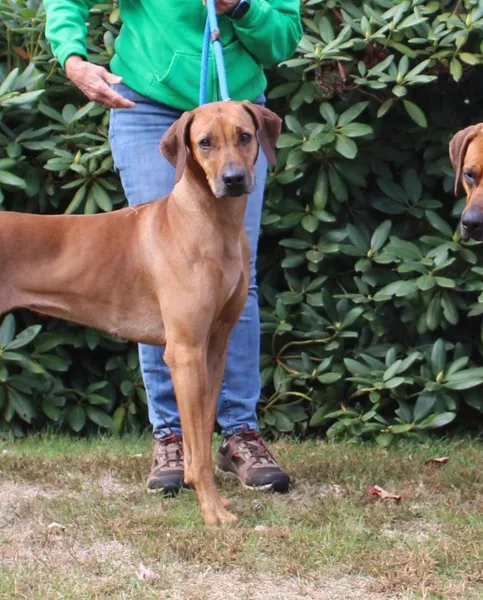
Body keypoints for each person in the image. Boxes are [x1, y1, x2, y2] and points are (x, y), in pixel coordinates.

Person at [43, 0, 303, 495]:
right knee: (162, 279)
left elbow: (283, 37)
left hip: (238, 113)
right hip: (148, 107)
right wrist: (72, 57)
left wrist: (241, 7)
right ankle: (172, 438)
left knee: (235, 283)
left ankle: (239, 433)